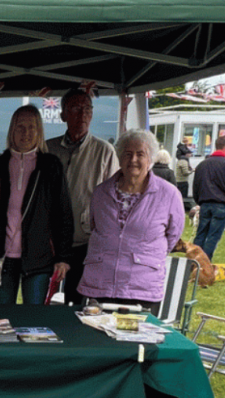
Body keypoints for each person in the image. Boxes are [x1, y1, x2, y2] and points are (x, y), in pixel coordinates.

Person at [78, 129, 184, 315]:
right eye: (127, 154)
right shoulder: (101, 192)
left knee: (136, 340)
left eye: (140, 154)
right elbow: (95, 226)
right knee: (98, 337)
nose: (133, 159)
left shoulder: (169, 194)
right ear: (119, 157)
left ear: (150, 158)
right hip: (100, 282)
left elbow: (173, 235)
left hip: (142, 286)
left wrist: (146, 253)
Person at [0, 105, 73, 305]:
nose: (26, 133)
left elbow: (63, 214)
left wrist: (63, 257)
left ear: (39, 131)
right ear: (12, 130)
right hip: (3, 259)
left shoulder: (50, 166)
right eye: (20, 127)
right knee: (2, 320)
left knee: (33, 321)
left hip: (39, 260)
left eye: (31, 127)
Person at [46, 88, 118, 306]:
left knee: (76, 303)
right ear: (63, 115)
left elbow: (114, 200)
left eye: (88, 109)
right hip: (48, 241)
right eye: (76, 108)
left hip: (85, 241)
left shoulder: (104, 151)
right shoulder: (48, 149)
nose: (83, 114)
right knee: (41, 302)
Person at [192, 135, 225, 260]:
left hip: (205, 203)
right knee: (213, 236)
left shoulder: (202, 164)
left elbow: (196, 186)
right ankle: (204, 263)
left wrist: (199, 201)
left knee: (200, 234)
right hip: (223, 204)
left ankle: (193, 262)